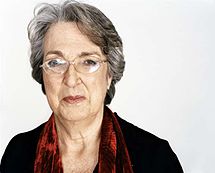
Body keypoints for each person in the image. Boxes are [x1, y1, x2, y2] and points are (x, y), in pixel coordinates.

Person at [0, 0, 183, 172]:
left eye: (88, 61)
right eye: (55, 62)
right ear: (42, 74)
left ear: (109, 74)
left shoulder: (154, 158)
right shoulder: (18, 154)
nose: (71, 80)